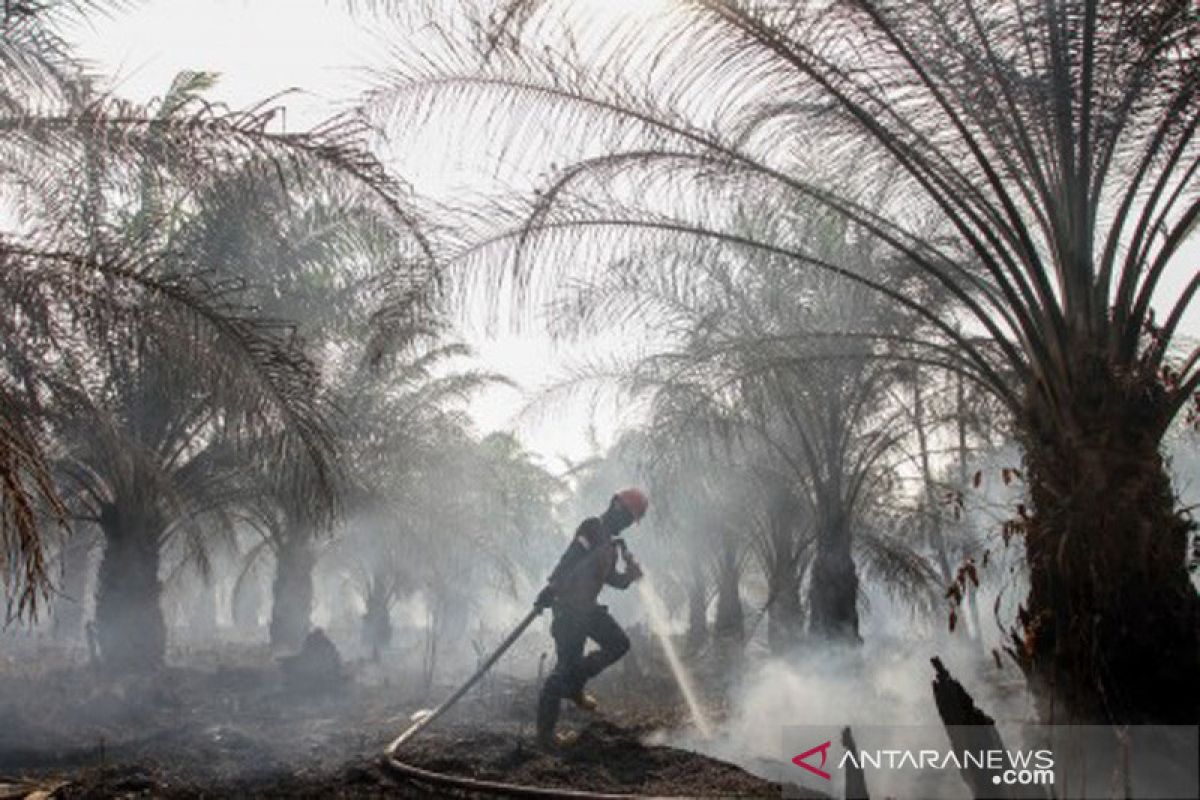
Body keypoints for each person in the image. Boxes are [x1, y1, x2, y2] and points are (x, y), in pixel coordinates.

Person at [534, 488, 649, 748]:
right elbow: (570, 558)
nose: (627, 524)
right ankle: (545, 737)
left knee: (619, 644)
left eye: (631, 521)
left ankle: (576, 683)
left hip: (588, 610)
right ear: (614, 505)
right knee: (561, 673)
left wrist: (630, 576)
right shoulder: (593, 527)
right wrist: (551, 588)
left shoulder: (611, 544)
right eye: (627, 516)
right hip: (568, 610)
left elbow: (614, 581)